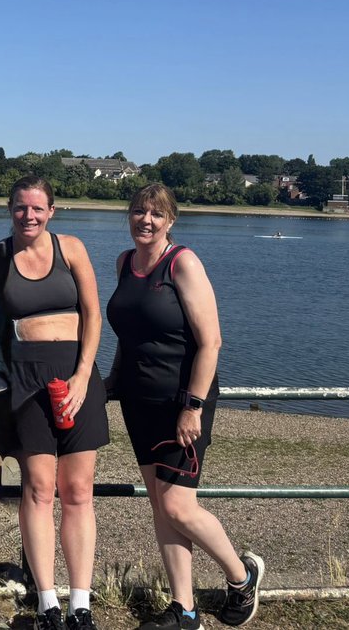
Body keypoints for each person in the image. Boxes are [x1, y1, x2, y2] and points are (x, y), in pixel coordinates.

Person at [105, 183, 264, 630]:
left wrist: (192, 406)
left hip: (181, 404)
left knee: (178, 505)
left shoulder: (183, 263)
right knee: (161, 504)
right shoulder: (124, 263)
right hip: (138, 401)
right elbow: (128, 335)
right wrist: (112, 381)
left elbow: (211, 342)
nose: (146, 220)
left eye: (156, 214)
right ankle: (185, 608)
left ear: (171, 221)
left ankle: (242, 576)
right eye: (138, 212)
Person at [0, 176, 109, 630]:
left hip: (76, 374)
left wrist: (83, 376)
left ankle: (80, 605)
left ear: (52, 211)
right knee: (40, 489)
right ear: (10, 209)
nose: (29, 216)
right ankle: (47, 603)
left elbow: (93, 314)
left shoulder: (72, 249)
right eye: (21, 208)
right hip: (24, 379)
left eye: (37, 208)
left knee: (79, 491)